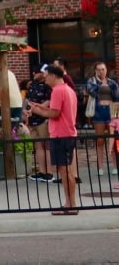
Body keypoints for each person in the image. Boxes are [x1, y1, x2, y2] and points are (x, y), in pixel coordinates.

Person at [28, 64, 79, 215]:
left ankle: (71, 204)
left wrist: (36, 110)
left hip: (60, 134)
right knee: (66, 171)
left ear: (54, 76)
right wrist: (40, 107)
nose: (45, 78)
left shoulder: (57, 91)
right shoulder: (68, 90)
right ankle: (70, 203)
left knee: (65, 171)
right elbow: (58, 111)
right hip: (68, 132)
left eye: (47, 75)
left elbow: (54, 114)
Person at [85, 61, 119, 175]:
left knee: (113, 140)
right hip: (98, 113)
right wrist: (102, 86)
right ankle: (100, 166)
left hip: (110, 113)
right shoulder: (91, 81)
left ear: (106, 70)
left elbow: (116, 99)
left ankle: (115, 165)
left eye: (103, 69)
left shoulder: (112, 83)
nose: (101, 72)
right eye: (99, 69)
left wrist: (116, 117)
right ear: (95, 70)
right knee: (100, 140)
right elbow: (93, 91)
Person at [25, 64, 54, 182]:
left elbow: (49, 100)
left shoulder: (47, 86)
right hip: (32, 119)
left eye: (36, 72)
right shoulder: (32, 85)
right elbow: (27, 100)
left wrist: (39, 107)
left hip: (43, 119)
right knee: (38, 146)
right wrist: (26, 110)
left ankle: (50, 172)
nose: (34, 74)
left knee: (46, 145)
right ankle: (42, 171)